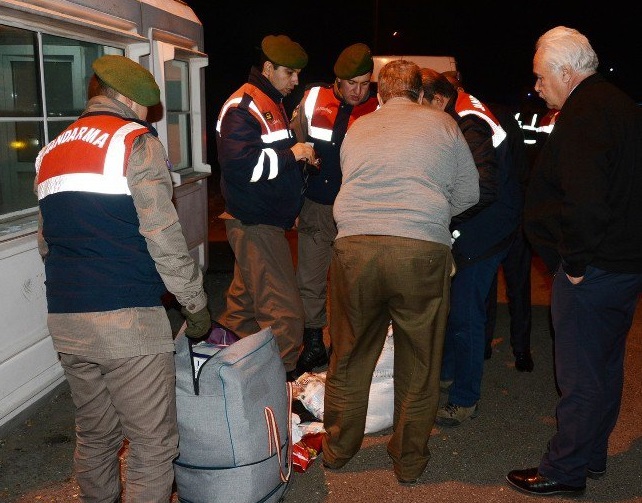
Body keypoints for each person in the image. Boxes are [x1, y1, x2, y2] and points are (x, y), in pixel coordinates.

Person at [35, 54, 211, 502]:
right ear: (129, 98)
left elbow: (45, 243)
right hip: (127, 318)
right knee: (153, 445)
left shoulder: (51, 150)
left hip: (68, 318)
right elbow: (163, 234)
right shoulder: (134, 141)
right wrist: (194, 303)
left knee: (95, 437)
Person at [322, 59, 479, 484]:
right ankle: (408, 460)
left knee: (350, 352)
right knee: (421, 359)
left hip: (355, 248)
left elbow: (347, 178)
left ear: (382, 92)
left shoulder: (359, 127)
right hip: (419, 253)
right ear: (417, 91)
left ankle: (337, 448)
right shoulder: (443, 127)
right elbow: (470, 192)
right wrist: (427, 216)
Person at [506, 26, 642, 496]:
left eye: (542, 77)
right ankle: (590, 455)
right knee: (603, 367)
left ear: (566, 72)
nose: (538, 86)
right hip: (621, 265)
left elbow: (586, 200)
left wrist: (577, 262)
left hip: (595, 267)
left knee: (581, 375)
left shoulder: (586, 113)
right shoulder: (620, 105)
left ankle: (564, 470)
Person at [420, 68, 522, 426]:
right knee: (456, 306)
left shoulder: (468, 121)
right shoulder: (462, 111)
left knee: (465, 314)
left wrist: (446, 216)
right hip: (489, 221)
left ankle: (464, 400)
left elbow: (482, 188)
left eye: (422, 104)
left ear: (439, 98)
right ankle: (450, 372)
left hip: (487, 227)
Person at [216, 35, 316, 380]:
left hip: (261, 222)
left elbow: (266, 160)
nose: (295, 81)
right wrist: (294, 154)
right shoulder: (244, 106)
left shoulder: (270, 100)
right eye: (290, 73)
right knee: (285, 316)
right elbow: (243, 168)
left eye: (299, 73)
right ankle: (281, 386)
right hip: (256, 223)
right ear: (269, 68)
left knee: (242, 309)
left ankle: (220, 375)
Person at [290, 43, 379, 376]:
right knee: (309, 280)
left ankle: (345, 347)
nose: (358, 92)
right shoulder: (313, 99)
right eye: (351, 83)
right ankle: (313, 344)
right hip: (315, 206)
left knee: (351, 283)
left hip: (358, 212)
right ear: (337, 81)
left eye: (365, 83)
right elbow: (293, 145)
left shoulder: (380, 108)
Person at [442, 72, 533, 370]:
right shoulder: (489, 112)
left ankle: (510, 348)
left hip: (509, 213)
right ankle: (508, 349)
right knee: (500, 287)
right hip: (508, 211)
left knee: (506, 286)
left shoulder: (477, 117)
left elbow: (510, 168)